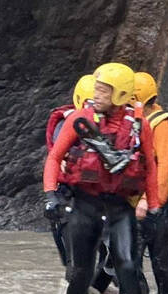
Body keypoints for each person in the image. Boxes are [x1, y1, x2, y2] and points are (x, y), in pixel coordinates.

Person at [43, 62, 160, 294]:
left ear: (120, 94)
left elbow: (151, 167)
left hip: (120, 208)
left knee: (128, 266)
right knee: (81, 272)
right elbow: (54, 158)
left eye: (104, 91)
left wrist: (152, 205)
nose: (97, 95)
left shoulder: (139, 126)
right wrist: (51, 195)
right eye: (97, 89)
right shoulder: (78, 120)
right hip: (85, 206)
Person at [133, 71, 168, 294]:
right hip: (142, 201)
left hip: (164, 203)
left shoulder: (162, 124)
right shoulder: (138, 122)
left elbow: (165, 168)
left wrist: (150, 201)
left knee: (160, 261)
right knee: (129, 257)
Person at [44, 74, 96, 267]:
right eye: (90, 102)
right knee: (74, 263)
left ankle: (100, 293)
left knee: (109, 261)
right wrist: (50, 196)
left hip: (100, 197)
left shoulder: (118, 125)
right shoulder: (67, 124)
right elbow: (56, 157)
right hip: (69, 195)